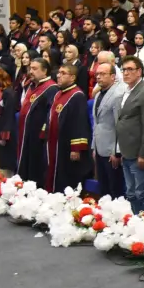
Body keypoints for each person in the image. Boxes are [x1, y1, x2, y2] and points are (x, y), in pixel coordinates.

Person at [114, 55, 144, 213]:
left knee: (143, 193)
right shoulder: (127, 90)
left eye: (130, 69)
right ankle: (135, 222)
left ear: (139, 71)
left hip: (139, 152)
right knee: (131, 193)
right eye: (123, 70)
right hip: (126, 151)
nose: (126, 73)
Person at [43, 63, 90, 193]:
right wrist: (44, 133)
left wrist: (76, 148)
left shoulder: (77, 95)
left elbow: (80, 123)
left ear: (72, 77)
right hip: (53, 143)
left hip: (66, 145)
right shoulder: (58, 94)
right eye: (58, 72)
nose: (58, 75)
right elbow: (50, 116)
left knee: (64, 175)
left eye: (63, 73)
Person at [89, 61, 125, 199]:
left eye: (103, 74)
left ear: (113, 76)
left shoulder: (117, 95)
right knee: (103, 189)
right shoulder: (98, 94)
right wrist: (94, 146)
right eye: (97, 74)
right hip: (99, 147)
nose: (98, 77)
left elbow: (119, 124)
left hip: (111, 150)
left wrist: (117, 151)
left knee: (115, 189)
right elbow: (97, 122)